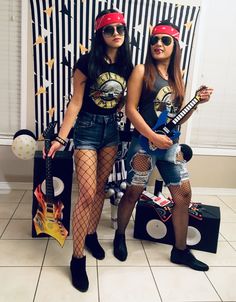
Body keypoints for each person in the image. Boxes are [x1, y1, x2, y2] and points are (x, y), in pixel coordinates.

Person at [113, 21, 213, 271]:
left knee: (184, 196)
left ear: (175, 45)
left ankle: (180, 251)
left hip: (171, 146)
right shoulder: (140, 70)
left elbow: (178, 116)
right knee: (134, 192)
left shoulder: (178, 76)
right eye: (154, 39)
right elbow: (131, 110)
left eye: (165, 40)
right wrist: (152, 137)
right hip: (144, 146)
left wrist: (196, 103)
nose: (158, 44)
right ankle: (119, 236)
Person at [46, 9, 133, 292]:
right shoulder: (87, 62)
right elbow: (75, 102)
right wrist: (61, 137)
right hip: (86, 129)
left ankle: (92, 234)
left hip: (111, 130)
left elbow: (125, 101)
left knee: (98, 188)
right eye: (110, 30)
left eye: (120, 28)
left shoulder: (127, 64)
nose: (116, 34)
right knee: (85, 192)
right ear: (100, 34)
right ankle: (77, 258)